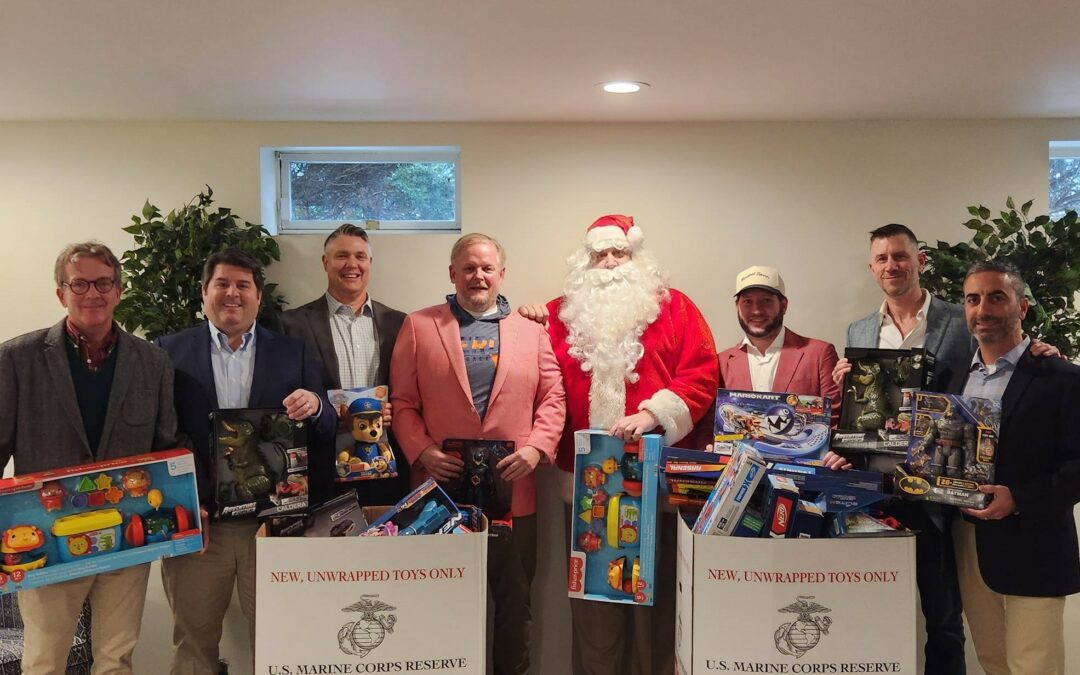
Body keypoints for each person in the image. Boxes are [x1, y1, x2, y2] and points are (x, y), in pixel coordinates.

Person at [520, 214, 718, 675]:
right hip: (587, 486)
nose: (609, 263)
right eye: (599, 255)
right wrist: (527, 316)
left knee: (656, 601)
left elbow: (703, 373)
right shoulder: (560, 313)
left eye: (618, 253)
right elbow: (527, 372)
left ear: (636, 258)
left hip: (656, 482)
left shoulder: (677, 309)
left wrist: (655, 415)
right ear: (585, 263)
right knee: (594, 604)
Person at [390, 233, 565, 675]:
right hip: (438, 497)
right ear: (453, 274)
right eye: (468, 267)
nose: (478, 276)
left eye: (487, 268)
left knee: (514, 606)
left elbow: (553, 399)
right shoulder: (418, 325)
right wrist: (423, 451)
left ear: (501, 274)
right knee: (439, 604)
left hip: (515, 494)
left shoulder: (532, 332)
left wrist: (536, 450)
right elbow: (403, 402)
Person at [0, 242, 178, 674]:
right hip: (49, 536)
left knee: (115, 660)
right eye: (80, 283)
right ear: (61, 292)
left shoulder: (152, 361)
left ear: (119, 291)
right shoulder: (17, 358)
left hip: (124, 537)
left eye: (103, 282)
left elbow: (167, 443)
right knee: (44, 661)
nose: (92, 293)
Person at [157, 248, 335, 674]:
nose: (232, 294)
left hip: (273, 527)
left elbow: (327, 426)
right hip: (201, 529)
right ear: (204, 293)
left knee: (281, 641)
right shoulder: (166, 352)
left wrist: (316, 404)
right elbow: (157, 436)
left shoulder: (295, 353)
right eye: (222, 284)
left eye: (243, 285)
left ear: (258, 297)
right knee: (193, 643)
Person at [945, 261, 1080, 675]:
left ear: (1022, 307)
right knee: (993, 660)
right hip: (968, 538)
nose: (982, 309)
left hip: (1034, 539)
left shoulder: (1062, 377)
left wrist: (1019, 499)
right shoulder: (950, 379)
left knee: (1033, 664)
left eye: (996, 297)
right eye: (973, 299)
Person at [280, 223, 409, 505]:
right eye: (342, 256)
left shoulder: (400, 323)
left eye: (360, 256)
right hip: (322, 468)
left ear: (370, 263)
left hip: (386, 467)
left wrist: (396, 410)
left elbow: (412, 390)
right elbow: (285, 397)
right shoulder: (292, 324)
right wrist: (322, 412)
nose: (352, 264)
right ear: (326, 263)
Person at [717, 265, 840, 421]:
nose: (756, 311)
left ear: (783, 305)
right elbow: (710, 423)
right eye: (748, 302)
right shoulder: (721, 362)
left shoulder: (819, 354)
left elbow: (835, 418)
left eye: (766, 301)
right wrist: (708, 445)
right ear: (737, 307)